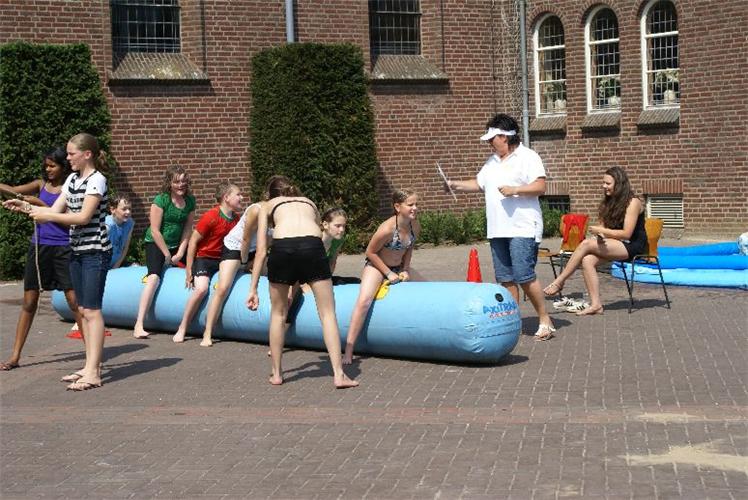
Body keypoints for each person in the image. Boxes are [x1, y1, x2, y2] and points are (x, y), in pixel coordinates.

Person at [7, 133, 112, 390]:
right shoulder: (73, 180)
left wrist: (47, 216)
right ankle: (88, 367)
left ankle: (94, 373)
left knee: (92, 310)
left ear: (87, 154)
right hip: (77, 250)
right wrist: (26, 208)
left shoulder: (97, 180)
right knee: (84, 310)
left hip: (95, 252)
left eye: (71, 154)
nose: (68, 158)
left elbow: (82, 217)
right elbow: (54, 210)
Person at [446, 113, 556, 341]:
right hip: (497, 228)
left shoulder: (528, 157)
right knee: (506, 278)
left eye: (492, 138)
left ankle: (545, 319)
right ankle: (513, 322)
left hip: (523, 227)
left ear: (504, 137)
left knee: (524, 276)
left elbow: (540, 186)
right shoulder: (492, 161)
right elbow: (479, 184)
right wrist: (454, 184)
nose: (489, 143)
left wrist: (515, 189)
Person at [246, 175, 358, 389]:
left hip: (282, 249)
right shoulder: (309, 202)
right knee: (327, 314)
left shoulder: (266, 205)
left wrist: (253, 289)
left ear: (270, 195)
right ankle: (339, 374)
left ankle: (277, 374)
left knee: (278, 315)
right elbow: (314, 235)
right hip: (312, 247)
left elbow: (261, 251)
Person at [0, 147, 84, 371]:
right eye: (46, 166)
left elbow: (65, 217)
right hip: (39, 247)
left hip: (64, 248)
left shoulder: (70, 187)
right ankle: (15, 356)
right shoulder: (40, 185)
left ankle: (91, 356)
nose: (48, 170)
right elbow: (13, 191)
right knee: (29, 302)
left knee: (74, 302)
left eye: (52, 166)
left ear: (63, 167)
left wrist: (36, 204)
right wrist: (16, 196)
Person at [543, 166, 647, 316]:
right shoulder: (608, 203)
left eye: (608, 183)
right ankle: (596, 305)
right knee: (587, 260)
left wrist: (601, 231)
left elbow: (627, 234)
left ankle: (560, 281)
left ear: (619, 184)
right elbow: (604, 228)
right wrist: (599, 235)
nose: (604, 186)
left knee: (586, 244)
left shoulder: (633, 202)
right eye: (603, 183)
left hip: (632, 245)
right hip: (615, 243)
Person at [343, 190, 420, 364]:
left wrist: (405, 269)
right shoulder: (387, 229)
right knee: (364, 301)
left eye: (416, 204)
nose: (415, 208)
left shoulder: (415, 225)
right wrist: (387, 273)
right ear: (397, 207)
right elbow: (370, 252)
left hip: (399, 266)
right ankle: (349, 349)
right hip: (377, 266)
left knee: (426, 286)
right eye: (410, 204)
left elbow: (409, 247)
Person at [173, 180, 242, 343]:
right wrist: (189, 269)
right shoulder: (211, 216)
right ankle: (182, 327)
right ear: (226, 197)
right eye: (238, 194)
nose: (241, 197)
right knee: (202, 289)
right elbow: (193, 241)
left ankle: (209, 328)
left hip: (223, 260)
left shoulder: (237, 219)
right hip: (204, 258)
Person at [132, 165, 195, 339]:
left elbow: (188, 229)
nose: (181, 185)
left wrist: (180, 252)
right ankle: (139, 324)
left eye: (183, 181)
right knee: (154, 277)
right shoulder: (161, 200)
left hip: (177, 244)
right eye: (176, 181)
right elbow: (154, 230)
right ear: (169, 183)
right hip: (156, 243)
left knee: (196, 266)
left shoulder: (190, 201)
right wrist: (167, 254)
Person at [200, 196, 264, 347]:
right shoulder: (256, 210)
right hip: (235, 247)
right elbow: (245, 239)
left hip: (254, 250)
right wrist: (243, 263)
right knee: (223, 288)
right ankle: (207, 332)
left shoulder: (281, 216)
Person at [105, 193, 134, 269]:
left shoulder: (130, 223)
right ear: (112, 210)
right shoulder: (107, 225)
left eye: (129, 209)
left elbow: (125, 247)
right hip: (103, 266)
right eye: (124, 209)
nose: (128, 212)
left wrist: (117, 265)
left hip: (117, 263)